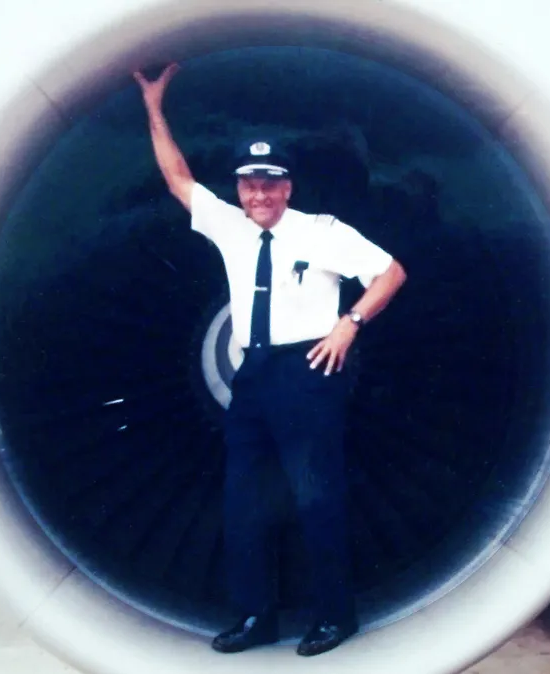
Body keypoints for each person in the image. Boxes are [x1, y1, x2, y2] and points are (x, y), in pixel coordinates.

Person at [132, 63, 408, 657]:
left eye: (271, 183)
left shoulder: (323, 231)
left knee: (316, 495)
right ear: (240, 189)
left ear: (288, 187)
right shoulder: (230, 227)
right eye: (249, 184)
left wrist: (349, 324)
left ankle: (337, 616)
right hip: (252, 375)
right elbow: (177, 177)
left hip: (307, 375)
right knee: (244, 500)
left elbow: (390, 273)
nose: (259, 194)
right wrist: (155, 108)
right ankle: (256, 616)